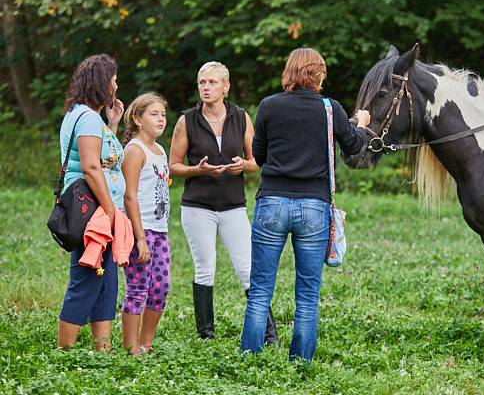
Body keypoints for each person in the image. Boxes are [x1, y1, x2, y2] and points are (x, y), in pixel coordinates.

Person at [241, 47, 370, 362]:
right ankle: (300, 362)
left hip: (271, 202)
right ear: (317, 73)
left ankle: (250, 361)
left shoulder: (269, 106)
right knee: (308, 295)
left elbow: (258, 156)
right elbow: (354, 147)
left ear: (290, 72)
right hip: (313, 206)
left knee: (259, 291)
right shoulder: (330, 108)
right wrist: (362, 124)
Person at [169, 61, 279, 342]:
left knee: (248, 269)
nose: (206, 87)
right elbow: (173, 165)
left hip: (233, 205)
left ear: (226, 87)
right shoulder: (187, 120)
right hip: (198, 206)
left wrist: (244, 164)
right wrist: (198, 170)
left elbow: (257, 160)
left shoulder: (241, 117)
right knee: (205, 268)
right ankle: (206, 335)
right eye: (202, 82)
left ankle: (269, 334)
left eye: (212, 82)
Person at [57, 54, 125, 350]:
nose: (116, 85)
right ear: (100, 83)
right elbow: (91, 167)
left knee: (106, 281)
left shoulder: (89, 117)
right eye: (113, 79)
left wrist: (112, 123)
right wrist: (110, 210)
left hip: (99, 209)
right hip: (92, 210)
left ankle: (103, 350)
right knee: (86, 278)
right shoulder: (85, 117)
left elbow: (104, 157)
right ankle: (65, 351)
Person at [120, 93, 171, 354]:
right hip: (140, 230)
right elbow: (129, 195)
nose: (161, 119)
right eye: (154, 114)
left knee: (160, 288)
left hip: (160, 231)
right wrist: (139, 237)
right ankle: (131, 348)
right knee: (138, 288)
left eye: (163, 114)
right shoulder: (135, 151)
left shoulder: (160, 150)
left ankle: (146, 343)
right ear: (138, 119)